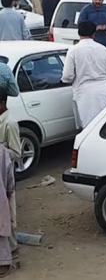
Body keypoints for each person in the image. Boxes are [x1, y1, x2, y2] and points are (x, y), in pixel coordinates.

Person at [61, 21, 106, 128]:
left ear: (78, 33)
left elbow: (67, 77)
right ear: (94, 34)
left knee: (88, 130)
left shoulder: (73, 50)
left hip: (84, 96)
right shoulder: (103, 49)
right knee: (105, 127)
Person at [0, 89, 19, 277]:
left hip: (5, 175)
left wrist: (2, 151)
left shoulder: (10, 124)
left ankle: (12, 255)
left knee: (8, 216)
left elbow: (17, 153)